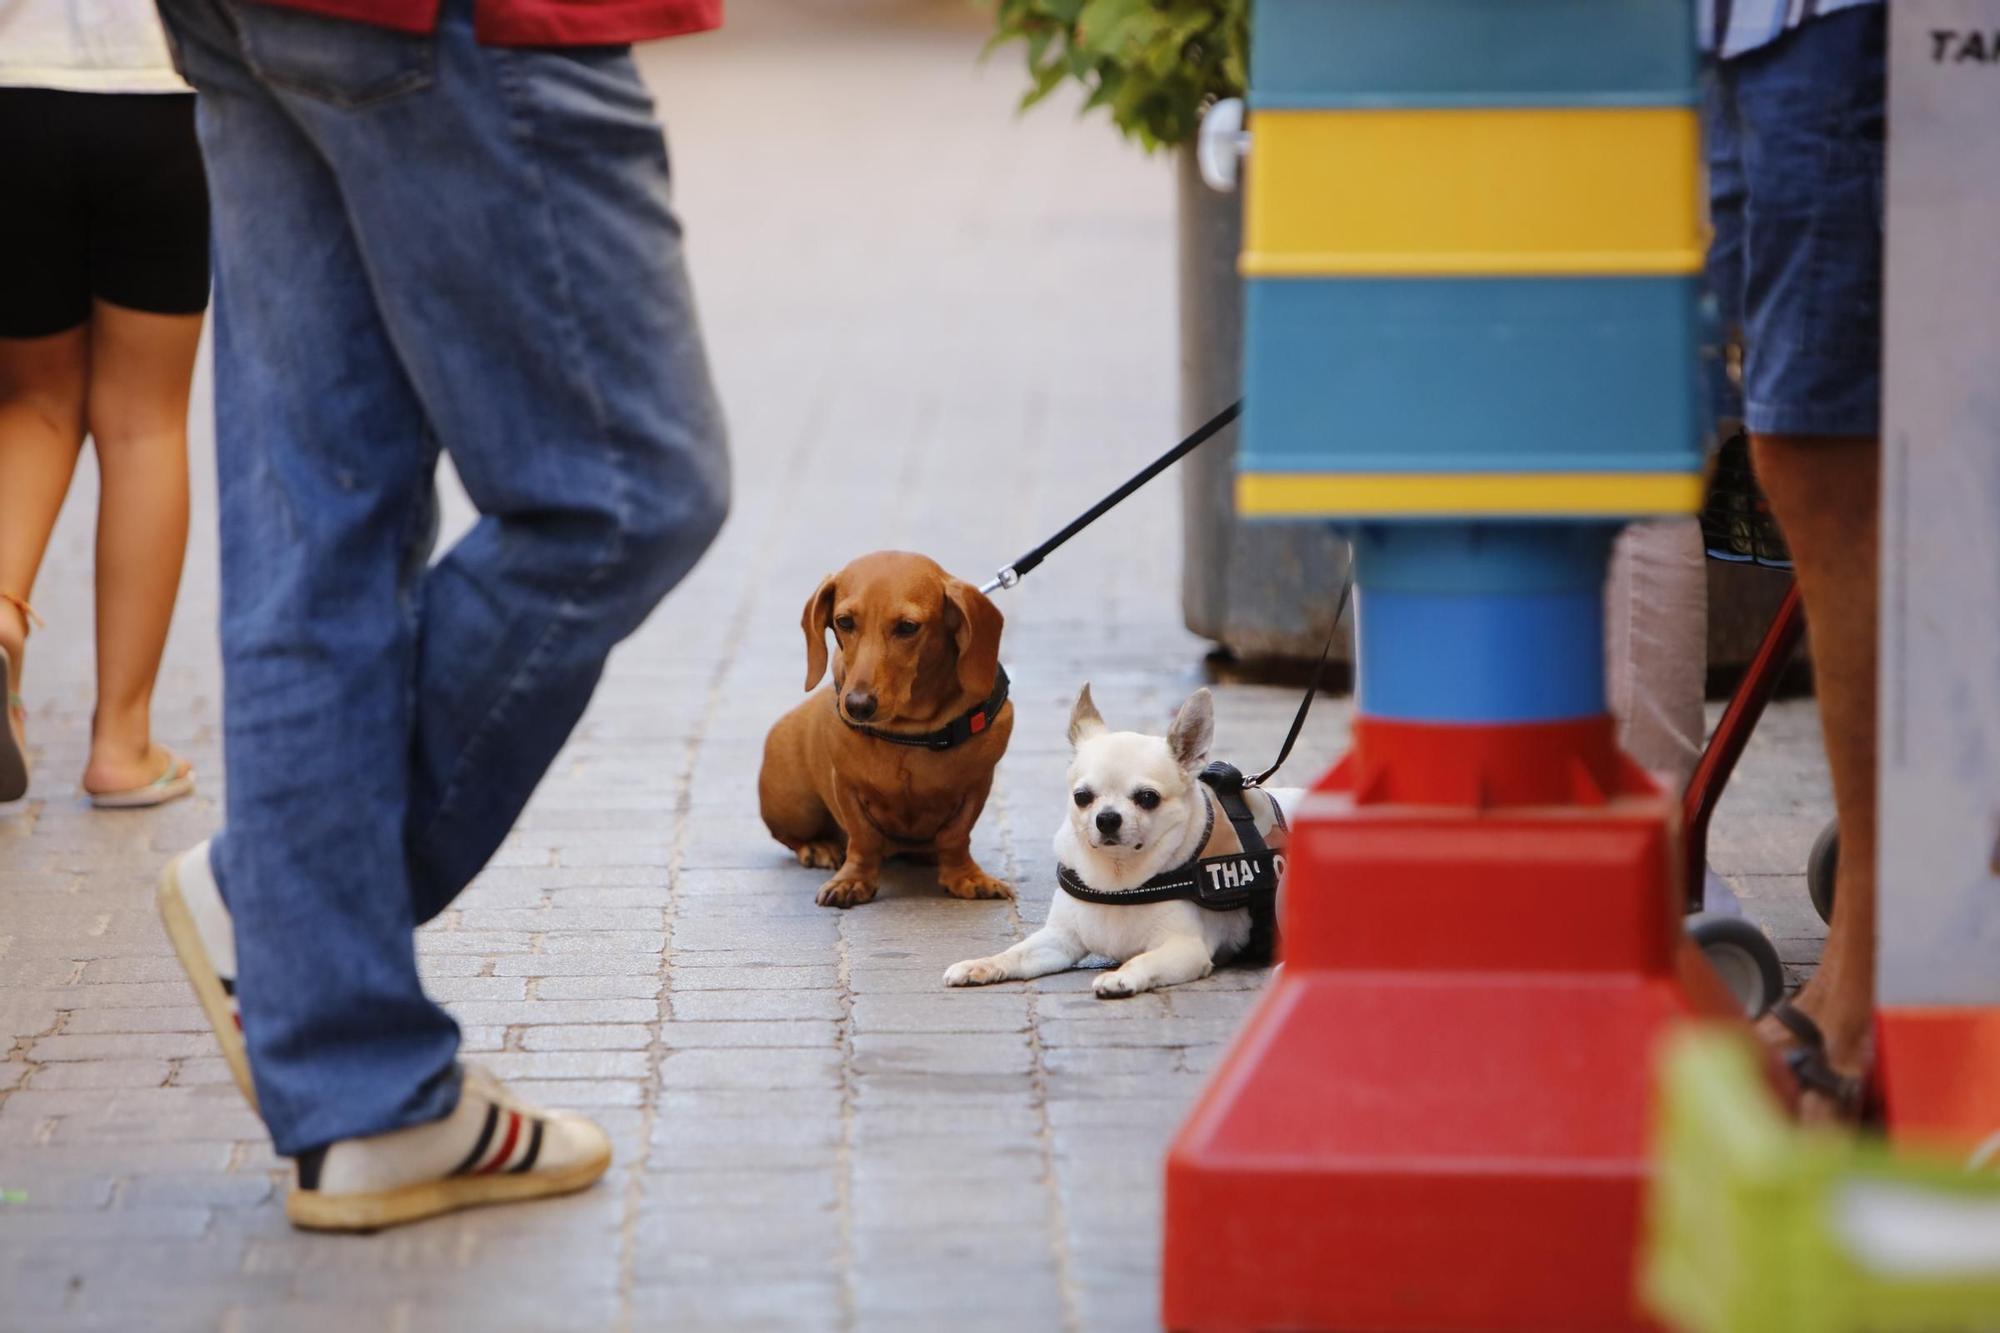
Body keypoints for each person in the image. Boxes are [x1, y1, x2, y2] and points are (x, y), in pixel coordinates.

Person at [150, 0, 730, 1229]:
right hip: (455, 22)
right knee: (627, 491)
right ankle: (295, 929)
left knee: (316, 534)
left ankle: (366, 1104)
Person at [1701, 0, 1884, 1121]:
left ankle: (1874, 975)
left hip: (1859, 24)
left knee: (1836, 445)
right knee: (1797, 443)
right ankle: (1878, 947)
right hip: (1741, 27)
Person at [0, 3, 209, 808]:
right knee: (145, 420)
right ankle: (122, 744)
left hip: (13, 94)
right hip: (162, 92)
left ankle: (5, 614)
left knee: (32, 398)